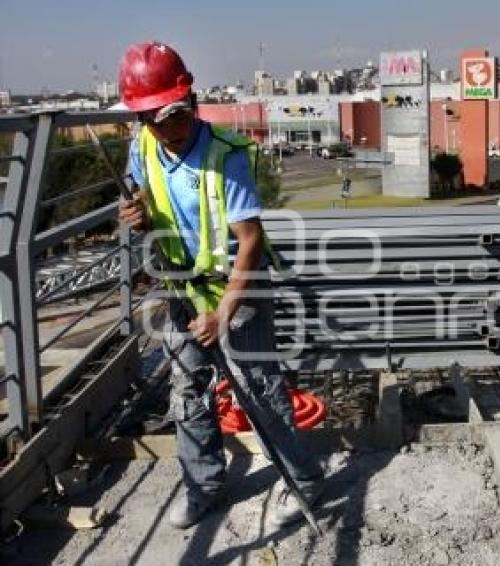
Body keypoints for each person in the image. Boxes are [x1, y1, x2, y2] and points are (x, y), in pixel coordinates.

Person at [117, 41, 323, 529]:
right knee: (187, 390)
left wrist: (222, 314)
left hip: (237, 289)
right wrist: (137, 215)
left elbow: (250, 242)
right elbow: (145, 202)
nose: (169, 126)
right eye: (155, 117)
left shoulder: (226, 155)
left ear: (189, 98)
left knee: (259, 390)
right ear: (142, 118)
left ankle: (305, 481)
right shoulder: (142, 147)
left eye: (175, 111)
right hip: (177, 287)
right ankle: (203, 484)